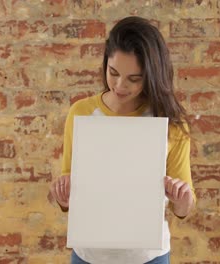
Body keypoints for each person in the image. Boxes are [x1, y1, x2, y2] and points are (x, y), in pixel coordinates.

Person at [50, 16, 196, 264]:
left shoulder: (170, 124)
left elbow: (182, 209)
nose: (119, 85)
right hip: (89, 256)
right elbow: (68, 186)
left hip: (148, 257)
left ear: (151, 74)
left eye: (134, 79)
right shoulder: (81, 112)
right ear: (105, 62)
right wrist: (64, 197)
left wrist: (182, 199)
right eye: (113, 72)